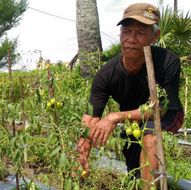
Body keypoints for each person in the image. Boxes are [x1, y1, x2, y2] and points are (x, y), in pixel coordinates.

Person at [77, 2, 184, 189]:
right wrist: (83, 151)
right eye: (126, 31)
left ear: (155, 36)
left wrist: (114, 117)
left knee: (150, 137)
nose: (132, 39)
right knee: (134, 168)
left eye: (141, 33)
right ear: (120, 34)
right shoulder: (107, 74)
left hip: (166, 115)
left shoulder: (168, 61)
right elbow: (91, 117)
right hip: (131, 120)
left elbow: (161, 108)